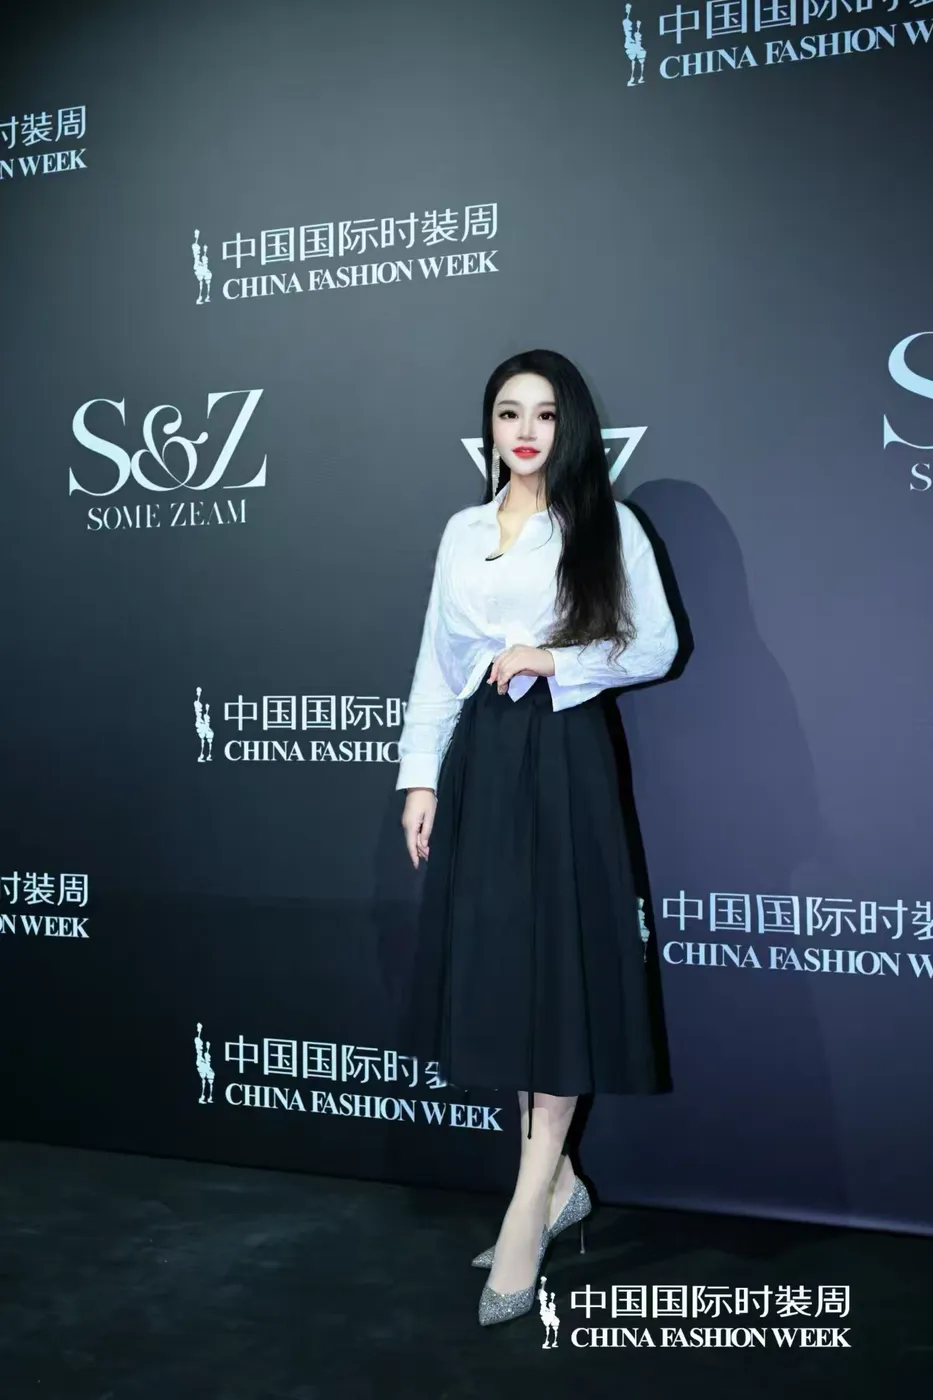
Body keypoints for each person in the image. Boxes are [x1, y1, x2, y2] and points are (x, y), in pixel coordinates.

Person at [396, 348, 678, 1327]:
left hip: (564, 755)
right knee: (506, 972)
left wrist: (552, 658)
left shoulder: (607, 524)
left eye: (545, 413)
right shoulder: (463, 530)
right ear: (489, 427)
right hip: (484, 757)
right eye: (508, 412)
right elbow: (439, 663)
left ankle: (528, 1205)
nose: (524, 430)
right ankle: (556, 1185)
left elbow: (655, 645)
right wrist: (420, 776)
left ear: (572, 426)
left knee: (558, 973)